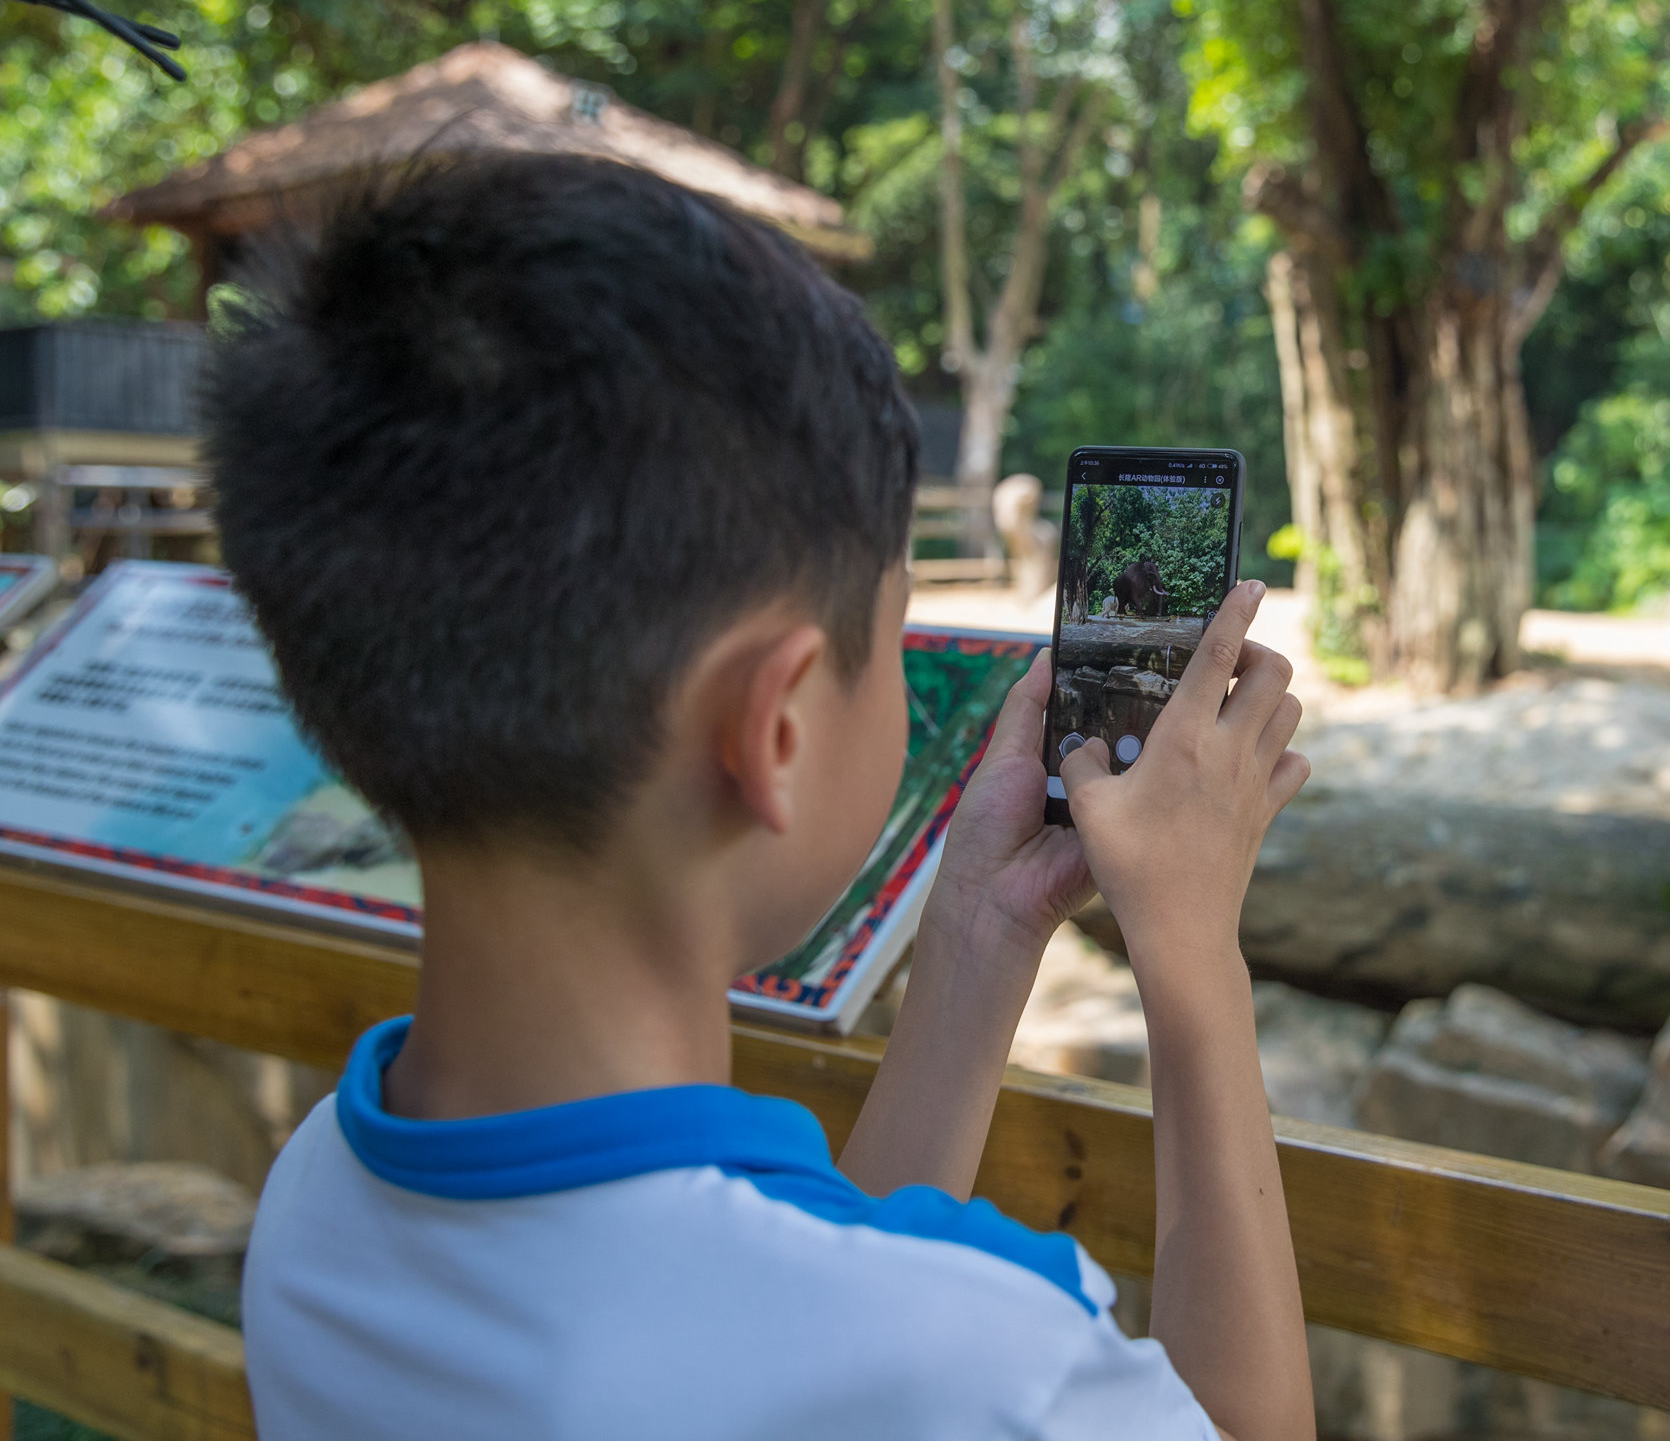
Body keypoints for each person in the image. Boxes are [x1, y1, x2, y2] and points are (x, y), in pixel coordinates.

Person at [209, 153, 1316, 1441]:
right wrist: (1192, 953)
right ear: (775, 729)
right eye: (889, 639)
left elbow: (818, 1294)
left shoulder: (314, 1206)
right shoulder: (998, 1364)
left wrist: (980, 930)